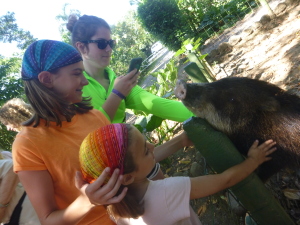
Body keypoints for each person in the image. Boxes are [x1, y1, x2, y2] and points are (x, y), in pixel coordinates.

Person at [12, 39, 128, 225]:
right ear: (47, 79)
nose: (84, 80)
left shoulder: (94, 116)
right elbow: (48, 219)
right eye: (76, 73)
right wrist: (86, 201)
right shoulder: (27, 144)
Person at [79, 123, 277, 225]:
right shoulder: (169, 190)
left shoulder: (117, 209)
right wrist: (254, 160)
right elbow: (226, 179)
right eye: (146, 150)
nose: (152, 145)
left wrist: (181, 140)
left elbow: (140, 165)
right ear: (128, 178)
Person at [66, 14, 194, 124]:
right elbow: (87, 131)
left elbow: (160, 105)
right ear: (82, 47)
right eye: (102, 43)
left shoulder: (117, 82)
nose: (109, 49)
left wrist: (208, 111)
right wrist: (117, 94)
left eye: (111, 43)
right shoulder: (73, 89)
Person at [0, 98, 40, 225]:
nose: (7, 128)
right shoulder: (42, 127)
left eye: (7, 123)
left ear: (14, 118)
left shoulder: (25, 139)